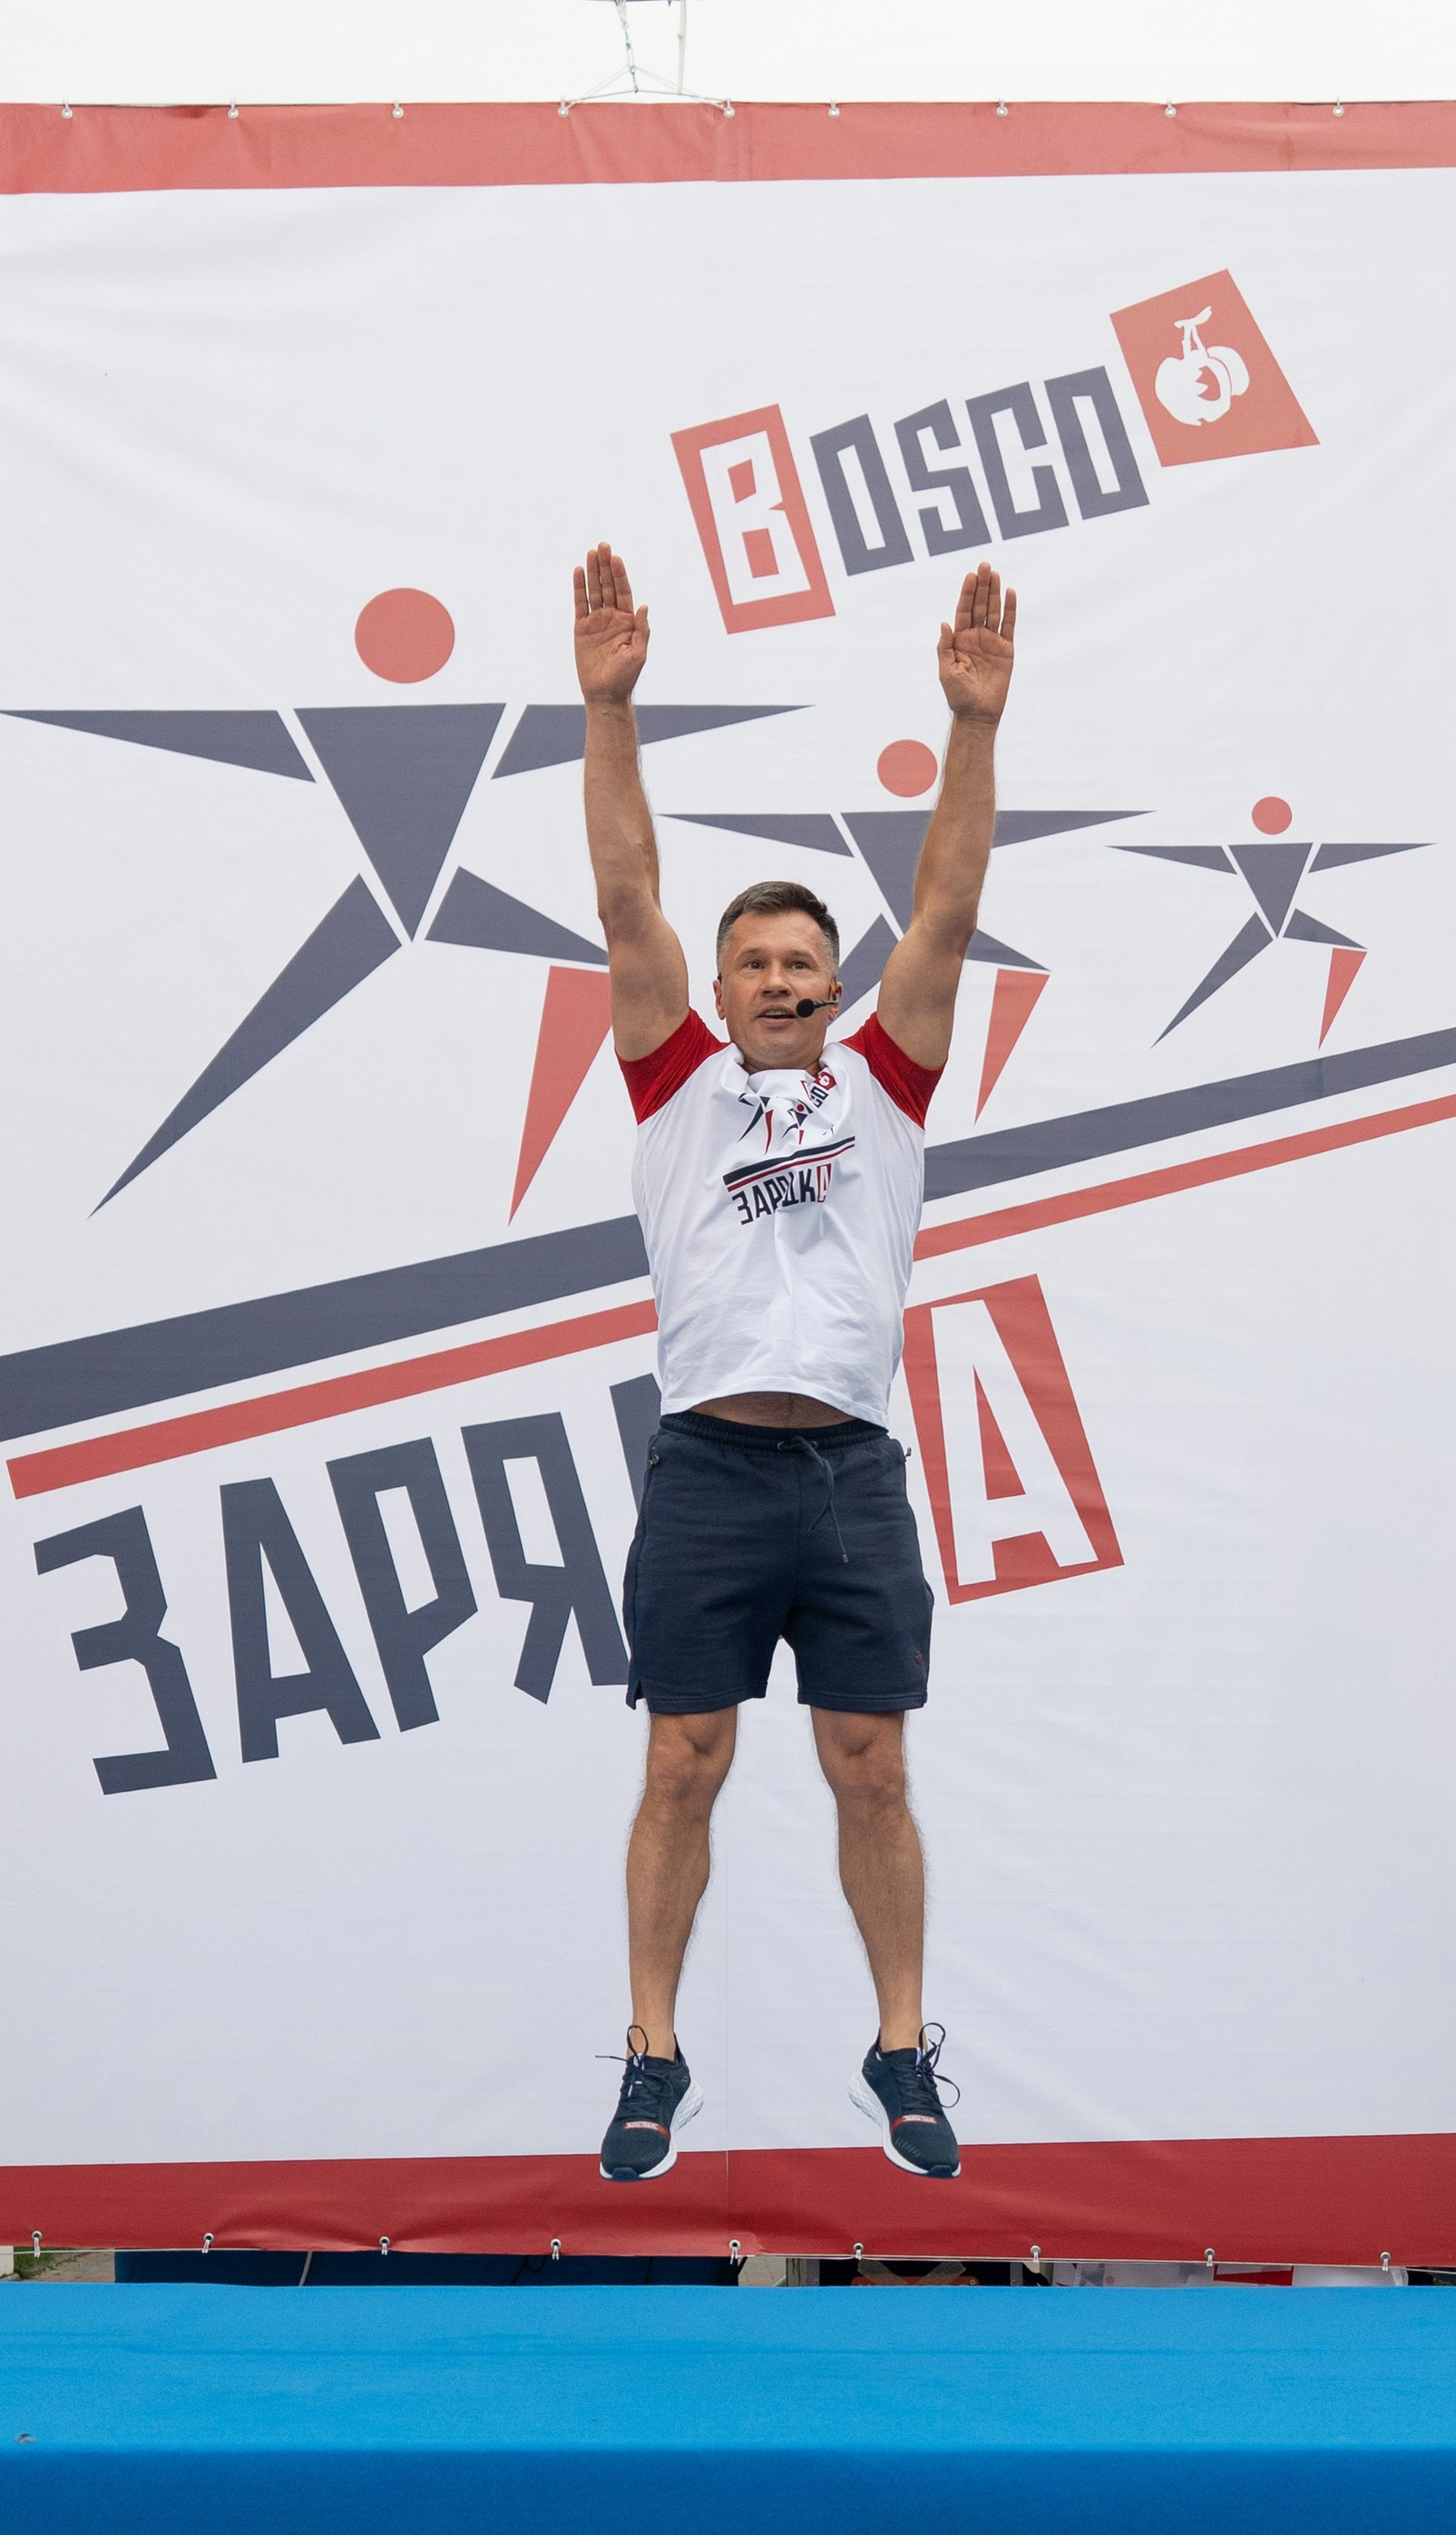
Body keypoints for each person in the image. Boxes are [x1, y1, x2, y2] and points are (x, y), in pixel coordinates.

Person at [573, 540, 1016, 2188]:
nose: (773, 981)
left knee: (869, 1762)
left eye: (797, 964)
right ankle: (651, 2051)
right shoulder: (675, 1078)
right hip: (706, 1466)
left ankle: (901, 2043)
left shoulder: (886, 1086)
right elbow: (628, 893)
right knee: (681, 1760)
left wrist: (970, 731)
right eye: (750, 959)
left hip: (844, 1473)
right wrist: (608, 708)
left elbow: (954, 904)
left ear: (835, 987)